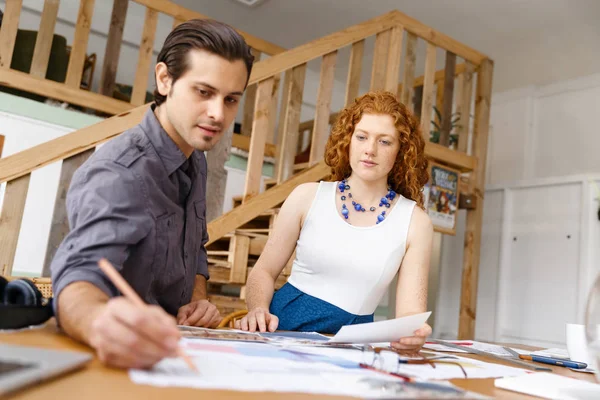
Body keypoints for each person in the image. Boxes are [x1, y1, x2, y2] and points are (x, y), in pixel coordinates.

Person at [50, 19, 254, 369]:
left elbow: (195, 247)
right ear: (164, 80)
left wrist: (197, 298)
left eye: (231, 99)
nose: (219, 114)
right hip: (113, 363)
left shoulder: (196, 157)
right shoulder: (118, 173)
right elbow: (78, 276)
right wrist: (100, 324)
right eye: (203, 92)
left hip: (175, 356)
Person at [238, 91, 434, 354]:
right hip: (279, 334)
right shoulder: (306, 196)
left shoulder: (416, 222)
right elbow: (262, 272)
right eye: (361, 137)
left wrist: (413, 333)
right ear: (348, 140)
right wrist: (258, 309)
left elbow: (411, 312)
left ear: (401, 151)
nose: (370, 149)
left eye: (385, 141)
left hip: (350, 347)